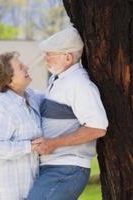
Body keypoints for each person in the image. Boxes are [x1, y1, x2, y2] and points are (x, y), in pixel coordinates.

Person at [27, 26, 109, 200]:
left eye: (50, 54)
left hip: (67, 168)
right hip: (53, 167)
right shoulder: (57, 80)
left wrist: (54, 143)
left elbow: (98, 128)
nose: (46, 58)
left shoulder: (79, 85)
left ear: (68, 57)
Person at [0, 52, 42, 200]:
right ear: (8, 80)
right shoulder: (2, 107)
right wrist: (30, 147)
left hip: (26, 186)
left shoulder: (29, 97)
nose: (27, 67)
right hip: (5, 190)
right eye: (20, 67)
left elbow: (55, 96)